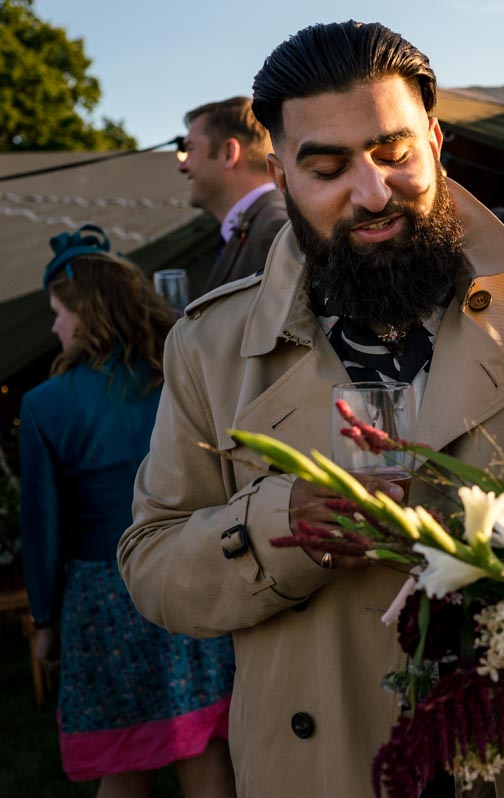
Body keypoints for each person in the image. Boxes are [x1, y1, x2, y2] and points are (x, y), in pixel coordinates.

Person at [119, 22, 504, 798]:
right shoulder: (211, 344)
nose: (372, 194)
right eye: (328, 168)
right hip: (328, 767)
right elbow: (151, 562)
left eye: (394, 154)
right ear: (282, 173)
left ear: (436, 140)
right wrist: (279, 523)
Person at [20, 225, 235, 796]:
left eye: (58, 312)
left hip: (102, 597)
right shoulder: (180, 376)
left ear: (86, 313)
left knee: (123, 765)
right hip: (189, 573)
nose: (54, 326)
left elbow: (42, 527)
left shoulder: (43, 405)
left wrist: (44, 621)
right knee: (206, 755)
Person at [179, 96, 288, 292]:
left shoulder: (276, 231)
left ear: (229, 153)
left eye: (190, 149)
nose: (182, 166)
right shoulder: (255, 225)